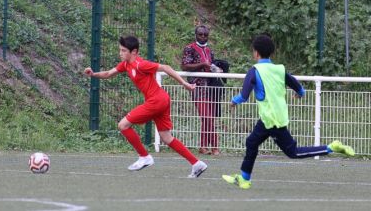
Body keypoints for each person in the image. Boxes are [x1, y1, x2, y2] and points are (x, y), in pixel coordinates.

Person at [222, 34, 355, 189]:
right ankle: (244, 178)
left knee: (293, 152)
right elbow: (296, 85)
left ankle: (331, 147)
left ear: (256, 53)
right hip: (272, 117)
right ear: (272, 53)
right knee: (251, 142)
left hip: (272, 120)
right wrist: (300, 93)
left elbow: (244, 96)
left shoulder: (254, 71)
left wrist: (233, 101)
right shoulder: (279, 69)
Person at [84, 35, 207, 178]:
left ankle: (144, 157)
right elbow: (108, 74)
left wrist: (184, 83)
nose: (120, 53)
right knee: (166, 137)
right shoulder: (125, 65)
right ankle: (196, 163)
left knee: (123, 125)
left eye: (124, 51)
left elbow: (165, 67)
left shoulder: (140, 64)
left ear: (134, 52)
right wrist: (93, 74)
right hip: (161, 100)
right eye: (120, 50)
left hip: (157, 101)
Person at [181, 25, 221, 155]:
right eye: (200, 34)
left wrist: (216, 68)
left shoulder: (210, 50)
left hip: (210, 88)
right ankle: (215, 147)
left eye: (205, 35)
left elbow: (212, 65)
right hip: (197, 87)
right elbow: (185, 66)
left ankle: (203, 146)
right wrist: (202, 65)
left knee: (209, 118)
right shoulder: (189, 48)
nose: (203, 37)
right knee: (207, 116)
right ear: (196, 35)